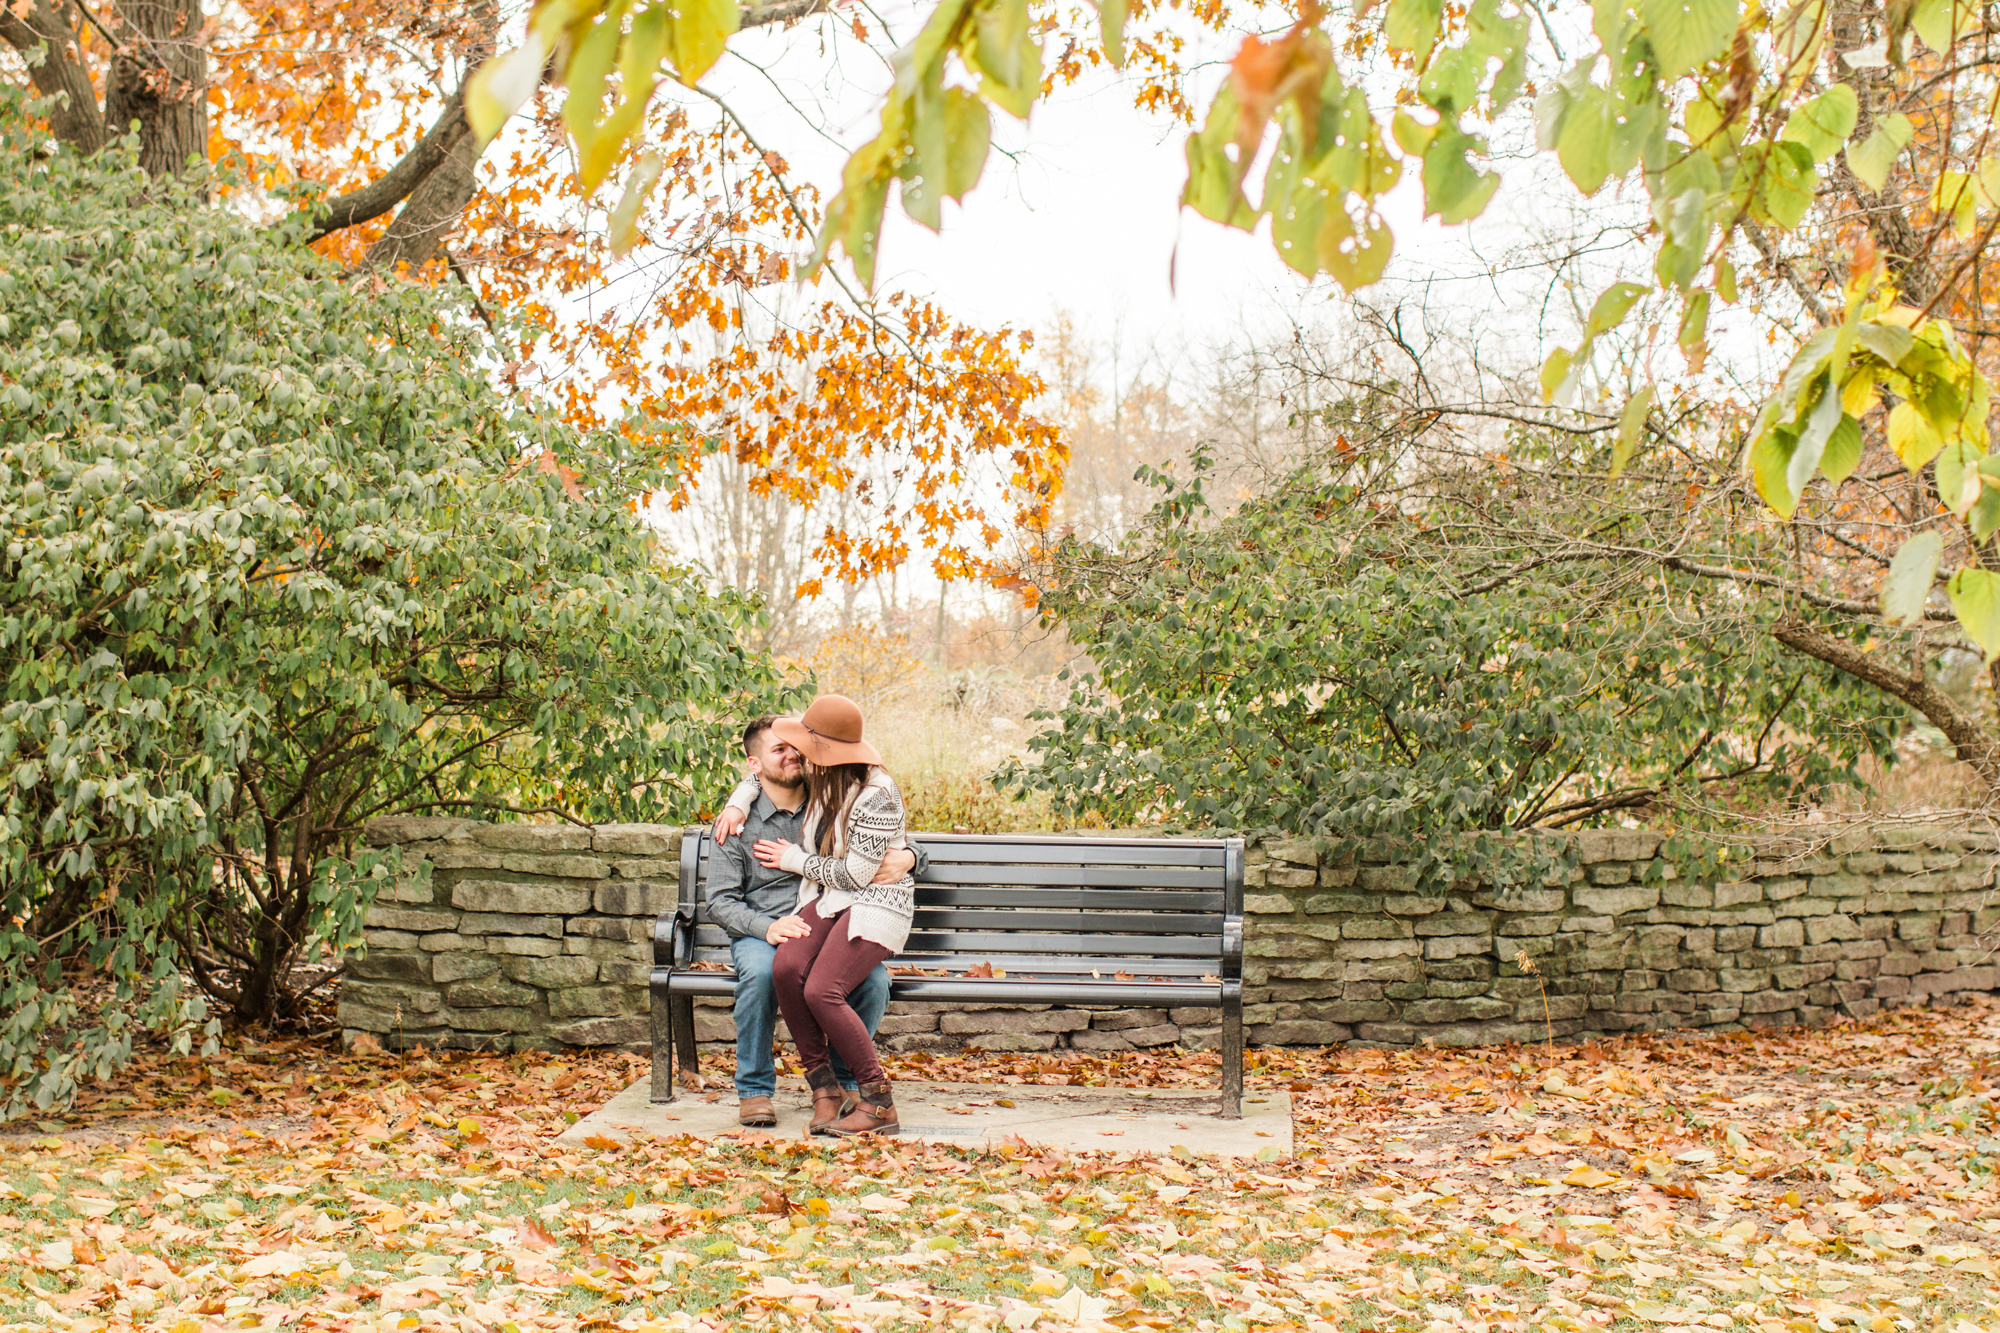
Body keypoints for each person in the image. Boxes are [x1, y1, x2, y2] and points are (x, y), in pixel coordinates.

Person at [705, 717, 920, 1130]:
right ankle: (755, 1090)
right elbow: (719, 901)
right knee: (766, 971)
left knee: (873, 982)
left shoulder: (828, 794)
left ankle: (842, 1085)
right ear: (754, 765)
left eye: (795, 748)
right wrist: (764, 928)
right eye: (778, 750)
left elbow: (891, 834)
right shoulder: (736, 823)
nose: (791, 756)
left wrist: (910, 857)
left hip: (830, 915)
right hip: (763, 926)